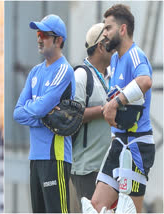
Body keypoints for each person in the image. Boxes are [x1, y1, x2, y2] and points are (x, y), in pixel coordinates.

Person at [86, 4, 155, 213]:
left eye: (108, 28)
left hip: (136, 145)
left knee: (130, 210)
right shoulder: (115, 59)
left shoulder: (135, 55)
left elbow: (145, 81)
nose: (104, 34)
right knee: (96, 205)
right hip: (119, 143)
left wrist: (115, 104)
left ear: (122, 29)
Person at [13, 14, 75, 213]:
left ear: (59, 40)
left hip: (55, 157)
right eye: (38, 34)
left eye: (44, 35)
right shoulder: (34, 72)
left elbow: (35, 109)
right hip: (35, 158)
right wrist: (42, 117)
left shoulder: (64, 70)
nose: (39, 39)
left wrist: (36, 109)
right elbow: (17, 113)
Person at [70, 23, 113, 210]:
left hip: (108, 165)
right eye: (112, 43)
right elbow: (72, 116)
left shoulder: (111, 75)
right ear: (101, 46)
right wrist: (105, 109)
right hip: (87, 167)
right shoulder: (81, 75)